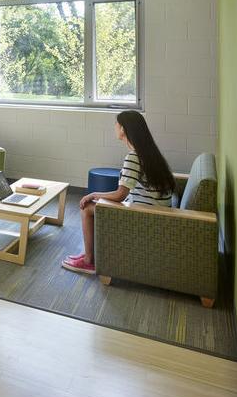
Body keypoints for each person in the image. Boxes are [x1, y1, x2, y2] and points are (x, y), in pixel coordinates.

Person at [62, 110, 175, 275]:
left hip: (145, 215)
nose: (115, 126)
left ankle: (88, 261)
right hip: (156, 212)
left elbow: (120, 195)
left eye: (117, 123)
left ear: (123, 129)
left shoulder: (134, 157)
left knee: (86, 208)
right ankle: (90, 255)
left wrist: (94, 194)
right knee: (94, 203)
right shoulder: (150, 154)